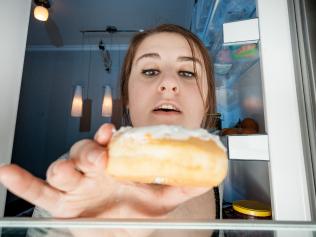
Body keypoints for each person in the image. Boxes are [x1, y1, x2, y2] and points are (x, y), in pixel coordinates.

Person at [0, 24, 219, 236]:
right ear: (128, 100)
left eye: (188, 73)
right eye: (151, 71)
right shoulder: (80, 177)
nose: (169, 82)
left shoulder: (218, 176)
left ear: (208, 101)